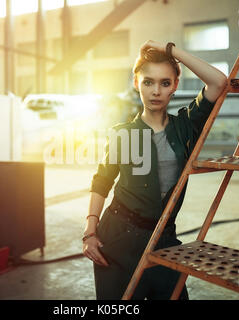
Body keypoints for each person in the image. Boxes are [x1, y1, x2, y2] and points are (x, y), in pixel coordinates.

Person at [82, 40, 227, 300]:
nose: (156, 91)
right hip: (117, 238)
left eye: (165, 82)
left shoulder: (186, 125)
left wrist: (171, 51)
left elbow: (218, 82)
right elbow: (102, 181)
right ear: (137, 83)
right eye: (148, 82)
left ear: (175, 86)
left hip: (164, 238)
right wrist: (90, 233)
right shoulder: (121, 134)